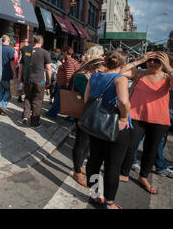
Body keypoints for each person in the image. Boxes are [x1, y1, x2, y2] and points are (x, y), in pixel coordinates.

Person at [119, 51, 173, 194]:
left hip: (159, 120)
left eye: (157, 61)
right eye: (150, 60)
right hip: (136, 117)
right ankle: (124, 172)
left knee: (151, 151)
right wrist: (139, 60)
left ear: (162, 63)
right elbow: (119, 71)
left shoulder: (168, 77)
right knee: (130, 146)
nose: (152, 63)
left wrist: (168, 66)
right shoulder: (139, 73)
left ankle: (143, 177)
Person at [85, 49, 131, 209]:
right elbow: (123, 102)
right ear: (123, 64)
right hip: (115, 126)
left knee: (94, 161)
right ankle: (109, 203)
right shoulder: (120, 79)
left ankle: (96, 195)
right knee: (113, 166)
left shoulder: (94, 76)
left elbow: (87, 99)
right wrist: (124, 117)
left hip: (96, 124)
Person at [70, 58, 106, 187]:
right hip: (82, 114)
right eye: (98, 70)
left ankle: (78, 166)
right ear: (91, 67)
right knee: (82, 142)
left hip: (89, 113)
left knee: (87, 143)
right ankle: (77, 171)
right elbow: (91, 95)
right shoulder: (80, 76)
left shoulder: (90, 76)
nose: (99, 73)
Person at [18, 35, 51, 128]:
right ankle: (34, 123)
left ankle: (25, 116)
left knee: (28, 97)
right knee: (37, 101)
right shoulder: (45, 53)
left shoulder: (26, 51)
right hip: (39, 81)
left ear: (33, 42)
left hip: (27, 79)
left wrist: (20, 78)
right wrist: (49, 80)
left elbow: (21, 66)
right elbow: (48, 69)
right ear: (42, 42)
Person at [46, 47, 80, 119]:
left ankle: (52, 113)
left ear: (66, 53)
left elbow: (69, 76)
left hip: (64, 85)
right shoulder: (72, 61)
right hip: (65, 85)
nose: (62, 53)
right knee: (61, 100)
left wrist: (68, 88)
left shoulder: (69, 62)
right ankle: (64, 115)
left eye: (63, 52)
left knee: (59, 100)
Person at [0, 35, 17, 116]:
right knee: (10, 91)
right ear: (8, 41)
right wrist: (15, 73)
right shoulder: (10, 50)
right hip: (6, 74)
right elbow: (12, 64)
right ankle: (2, 105)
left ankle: (0, 108)